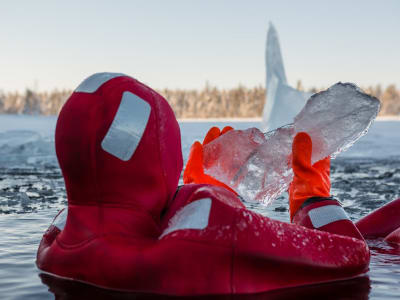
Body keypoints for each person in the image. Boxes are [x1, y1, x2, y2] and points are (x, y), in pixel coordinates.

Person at [37, 73, 370, 296]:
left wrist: (202, 196)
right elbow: (353, 257)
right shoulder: (202, 244)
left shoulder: (55, 245)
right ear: (159, 158)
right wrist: (311, 198)